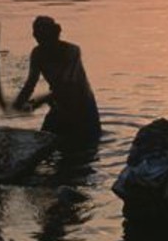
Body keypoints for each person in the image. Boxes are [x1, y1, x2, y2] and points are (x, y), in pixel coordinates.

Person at [12, 16, 102, 146]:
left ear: (55, 33)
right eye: (37, 36)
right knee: (45, 142)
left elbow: (66, 84)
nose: (40, 40)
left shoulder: (72, 51)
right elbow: (31, 83)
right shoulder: (37, 53)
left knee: (87, 144)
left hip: (82, 105)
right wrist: (19, 102)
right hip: (59, 104)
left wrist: (37, 102)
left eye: (44, 36)